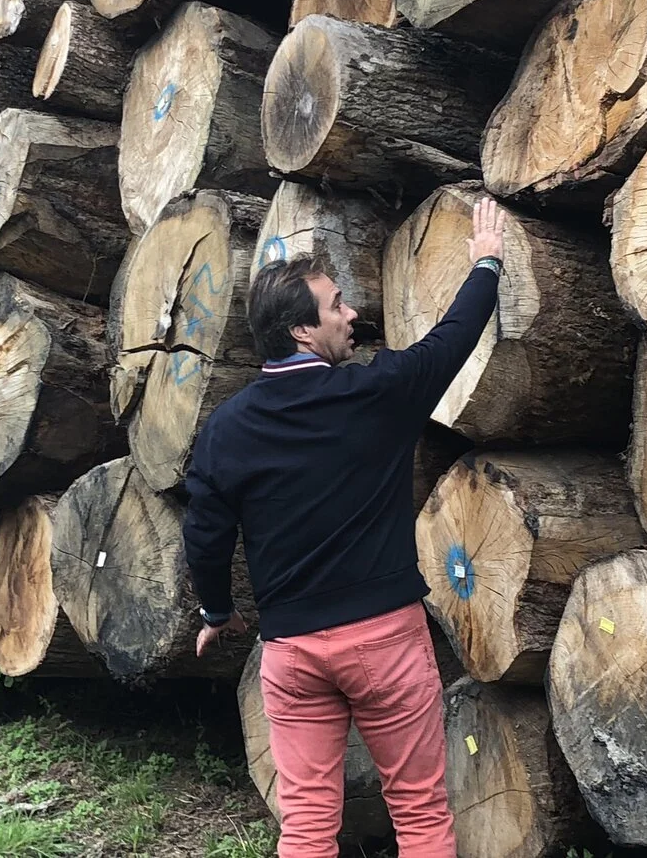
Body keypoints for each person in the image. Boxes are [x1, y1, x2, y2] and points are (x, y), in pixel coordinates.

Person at [182, 196, 507, 858]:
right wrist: (487, 264)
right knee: (419, 815)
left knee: (305, 829)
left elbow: (205, 533)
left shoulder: (226, 429)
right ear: (303, 330)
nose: (351, 312)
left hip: (292, 652)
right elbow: (450, 342)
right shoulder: (374, 394)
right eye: (336, 304)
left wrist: (216, 608)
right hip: (383, 639)